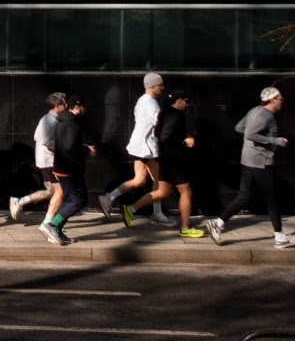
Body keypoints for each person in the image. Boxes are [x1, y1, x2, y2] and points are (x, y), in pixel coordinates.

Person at [209, 87, 295, 249]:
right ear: (272, 99)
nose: (282, 101)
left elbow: (239, 128)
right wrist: (276, 141)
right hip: (261, 162)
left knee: (244, 195)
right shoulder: (265, 115)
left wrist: (254, 138)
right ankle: (279, 236)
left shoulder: (254, 111)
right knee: (272, 198)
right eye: (280, 99)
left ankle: (218, 222)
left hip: (248, 159)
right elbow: (250, 134)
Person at [99, 74, 173, 227]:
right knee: (159, 183)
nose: (163, 87)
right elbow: (158, 123)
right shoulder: (150, 103)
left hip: (139, 146)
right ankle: (156, 213)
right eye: (160, 85)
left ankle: (109, 197)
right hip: (147, 148)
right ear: (152, 86)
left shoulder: (142, 100)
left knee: (139, 180)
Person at [39, 93, 96, 246]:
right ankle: (52, 225)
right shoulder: (72, 123)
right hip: (70, 168)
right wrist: (86, 151)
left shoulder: (62, 120)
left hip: (62, 167)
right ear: (77, 107)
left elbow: (66, 143)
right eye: (82, 107)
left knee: (71, 199)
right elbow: (70, 145)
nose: (84, 110)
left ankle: (56, 228)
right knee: (79, 200)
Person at [151, 86, 205, 241]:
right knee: (186, 191)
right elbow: (165, 136)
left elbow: (159, 134)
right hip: (174, 160)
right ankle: (186, 228)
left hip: (165, 158)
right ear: (179, 100)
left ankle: (131, 208)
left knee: (162, 192)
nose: (187, 105)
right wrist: (184, 141)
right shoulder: (175, 115)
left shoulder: (164, 113)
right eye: (186, 101)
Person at [9, 91, 66, 223]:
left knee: (52, 191)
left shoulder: (47, 119)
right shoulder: (50, 121)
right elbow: (46, 141)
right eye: (64, 104)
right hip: (49, 161)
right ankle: (48, 222)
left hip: (45, 161)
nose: (66, 106)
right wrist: (62, 147)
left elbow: (36, 137)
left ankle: (20, 201)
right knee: (60, 192)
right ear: (57, 106)